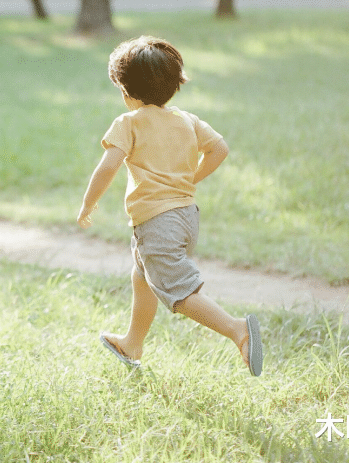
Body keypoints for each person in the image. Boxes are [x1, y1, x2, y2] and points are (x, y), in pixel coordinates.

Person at [77, 36, 263, 376]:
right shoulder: (187, 120)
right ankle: (133, 341)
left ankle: (237, 330)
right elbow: (219, 149)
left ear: (125, 90)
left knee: (178, 291)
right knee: (143, 276)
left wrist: (88, 204)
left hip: (157, 223)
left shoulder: (129, 123)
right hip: (186, 218)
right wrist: (191, 179)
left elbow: (108, 167)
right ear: (174, 86)